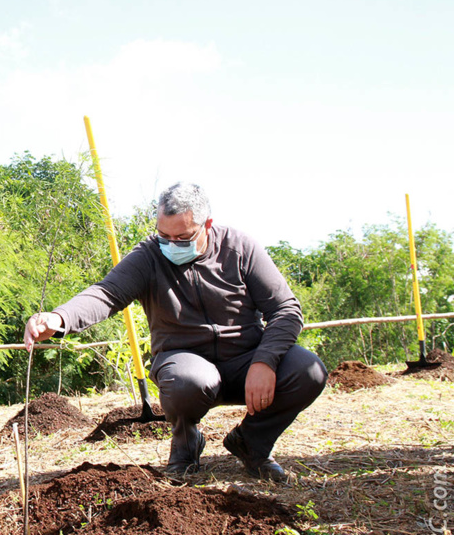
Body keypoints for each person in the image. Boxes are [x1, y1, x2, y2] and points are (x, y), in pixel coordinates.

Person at [24, 182, 327, 481]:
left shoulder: (240, 248)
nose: (171, 244)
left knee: (307, 371)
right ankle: (186, 443)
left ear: (207, 224)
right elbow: (107, 294)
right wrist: (59, 318)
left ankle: (252, 443)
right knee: (189, 381)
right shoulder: (149, 256)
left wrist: (265, 361)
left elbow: (286, 309)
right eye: (163, 235)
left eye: (182, 237)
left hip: (246, 360)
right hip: (185, 362)